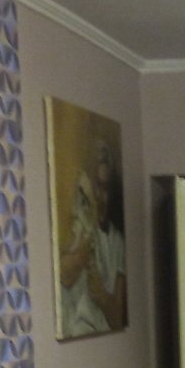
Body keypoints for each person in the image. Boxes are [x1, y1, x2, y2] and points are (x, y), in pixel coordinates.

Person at [59, 136, 126, 335]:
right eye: (96, 186)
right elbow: (63, 275)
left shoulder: (117, 241)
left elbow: (118, 318)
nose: (99, 196)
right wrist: (82, 254)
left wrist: (103, 296)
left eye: (104, 188)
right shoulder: (80, 225)